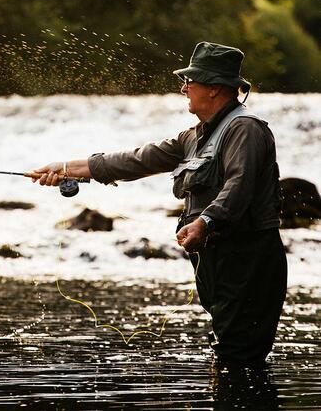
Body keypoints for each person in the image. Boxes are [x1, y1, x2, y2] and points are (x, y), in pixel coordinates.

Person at [34, 42, 287, 366]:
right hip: (216, 259)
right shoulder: (193, 137)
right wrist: (65, 168)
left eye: (190, 81)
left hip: (249, 258)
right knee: (229, 349)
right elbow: (136, 160)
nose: (183, 87)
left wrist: (205, 222)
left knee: (237, 355)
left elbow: (240, 185)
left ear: (213, 89)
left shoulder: (245, 129)